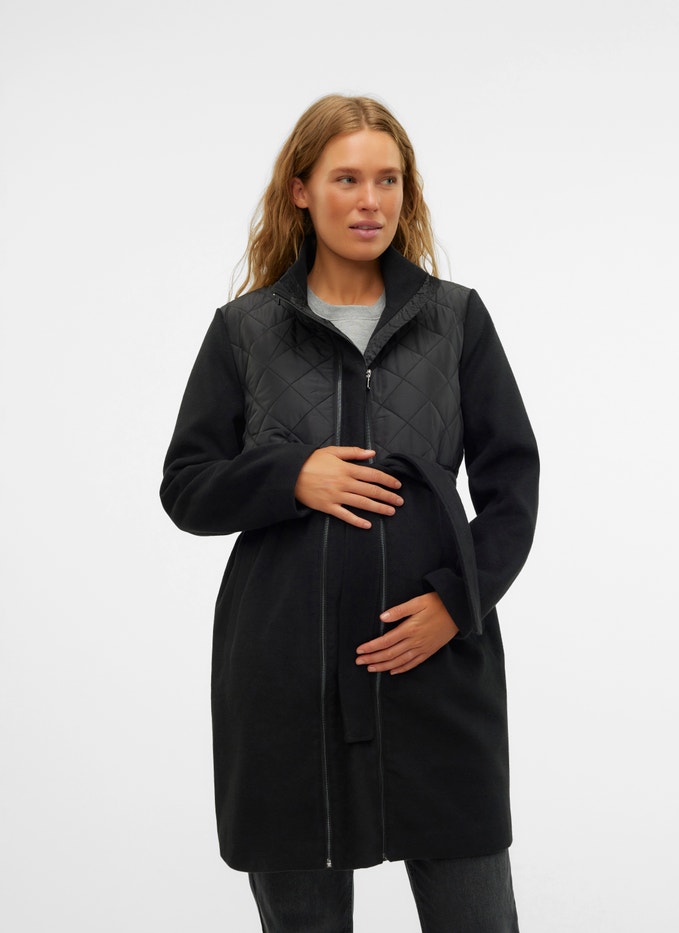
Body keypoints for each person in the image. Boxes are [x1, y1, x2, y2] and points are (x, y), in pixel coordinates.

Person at [160, 93, 539, 933]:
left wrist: (457, 604)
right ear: (301, 190)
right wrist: (291, 474)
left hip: (436, 663)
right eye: (347, 179)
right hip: (285, 676)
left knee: (477, 912)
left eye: (388, 180)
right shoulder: (245, 331)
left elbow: (513, 484)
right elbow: (185, 485)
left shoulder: (456, 319)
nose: (371, 201)